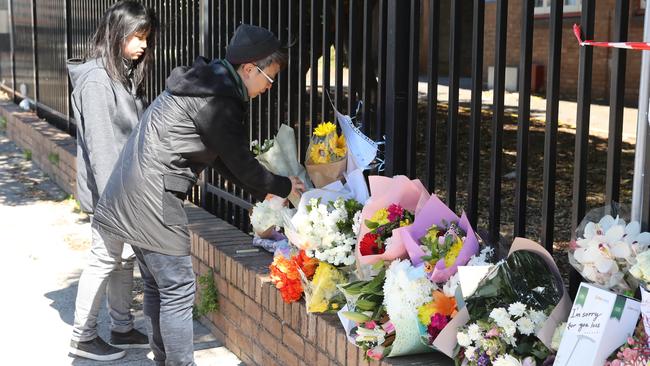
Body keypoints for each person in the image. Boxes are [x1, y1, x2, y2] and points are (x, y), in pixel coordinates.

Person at [92, 24, 305, 365]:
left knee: (157, 285)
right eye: (270, 77)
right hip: (153, 196)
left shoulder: (207, 84)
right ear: (249, 68)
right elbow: (238, 161)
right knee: (177, 288)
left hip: (132, 187)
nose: (268, 87)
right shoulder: (218, 98)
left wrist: (263, 188)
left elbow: (222, 158)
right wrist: (282, 185)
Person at [67, 1, 158, 361]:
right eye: (138, 36)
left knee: (121, 261)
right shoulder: (96, 79)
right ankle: (82, 337)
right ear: (117, 32)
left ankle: (121, 327)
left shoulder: (119, 73)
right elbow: (102, 145)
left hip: (124, 189)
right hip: (111, 193)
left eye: (147, 37)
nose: (144, 45)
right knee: (104, 259)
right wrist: (113, 201)